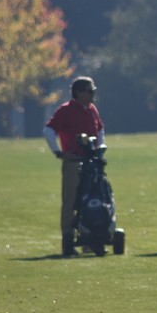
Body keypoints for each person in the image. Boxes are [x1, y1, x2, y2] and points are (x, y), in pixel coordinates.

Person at [44, 76, 105, 257]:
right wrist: (59, 153)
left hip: (93, 162)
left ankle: (91, 238)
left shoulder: (92, 109)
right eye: (90, 91)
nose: (93, 94)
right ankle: (68, 239)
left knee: (94, 198)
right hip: (73, 162)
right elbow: (48, 131)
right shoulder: (65, 111)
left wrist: (100, 148)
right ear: (79, 92)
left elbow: (100, 129)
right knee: (71, 201)